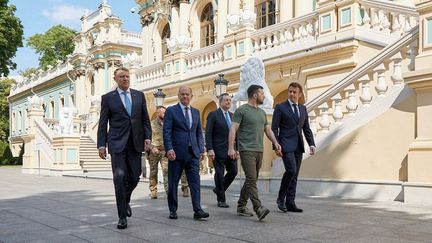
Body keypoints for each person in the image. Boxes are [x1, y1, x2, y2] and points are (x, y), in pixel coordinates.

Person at [97, 67, 152, 229]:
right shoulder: (108, 98)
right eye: (122, 76)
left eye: (127, 76)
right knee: (119, 178)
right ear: (115, 79)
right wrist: (101, 144)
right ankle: (122, 216)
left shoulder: (138, 95)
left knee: (135, 176)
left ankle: (125, 199)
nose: (125, 79)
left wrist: (148, 137)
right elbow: (102, 123)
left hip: (135, 143)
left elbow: (145, 120)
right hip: (117, 144)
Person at [228, 85, 282, 221]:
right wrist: (231, 148)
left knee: (252, 179)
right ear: (255, 95)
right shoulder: (242, 110)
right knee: (252, 179)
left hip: (259, 150)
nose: (264, 96)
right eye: (262, 93)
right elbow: (233, 129)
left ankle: (241, 206)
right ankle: (258, 208)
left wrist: (275, 142)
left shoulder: (262, 113)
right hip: (246, 150)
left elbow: (268, 130)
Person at [163, 86, 209, 220]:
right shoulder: (171, 111)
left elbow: (199, 133)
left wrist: (201, 149)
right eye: (182, 94)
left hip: (193, 153)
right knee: (173, 183)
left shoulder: (196, 112)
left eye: (187, 94)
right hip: (176, 153)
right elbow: (166, 131)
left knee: (195, 183)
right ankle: (173, 210)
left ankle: (197, 210)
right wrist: (169, 148)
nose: (185, 97)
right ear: (178, 95)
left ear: (191, 96)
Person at [271, 82, 315, 213]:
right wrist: (276, 144)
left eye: (294, 92)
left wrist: (311, 144)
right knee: (291, 170)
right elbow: (274, 128)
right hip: (285, 145)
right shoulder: (280, 107)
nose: (291, 94)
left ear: (299, 94)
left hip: (298, 146)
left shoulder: (303, 109)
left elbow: (306, 128)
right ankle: (281, 198)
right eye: (290, 91)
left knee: (295, 174)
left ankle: (290, 202)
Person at [147, 106, 189, 199]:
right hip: (154, 152)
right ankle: (153, 191)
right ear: (157, 113)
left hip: (165, 151)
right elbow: (146, 138)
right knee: (153, 172)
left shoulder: (170, 124)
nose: (165, 114)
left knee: (167, 172)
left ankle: (169, 193)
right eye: (163, 113)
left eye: (166, 112)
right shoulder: (151, 124)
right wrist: (152, 147)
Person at [205, 93, 238, 208]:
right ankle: (221, 200)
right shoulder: (213, 115)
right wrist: (210, 149)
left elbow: (236, 134)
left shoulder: (233, 116)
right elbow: (208, 133)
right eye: (226, 100)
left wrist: (236, 149)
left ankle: (218, 189)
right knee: (219, 173)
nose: (229, 102)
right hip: (218, 150)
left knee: (233, 171)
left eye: (230, 100)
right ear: (220, 102)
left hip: (231, 150)